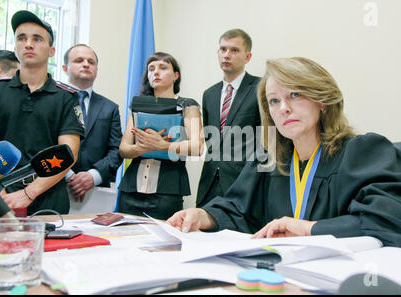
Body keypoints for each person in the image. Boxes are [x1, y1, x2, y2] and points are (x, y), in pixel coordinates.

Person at [167, 57, 401, 256]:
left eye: (296, 94)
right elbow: (240, 210)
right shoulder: (269, 161)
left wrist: (310, 228)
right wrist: (203, 216)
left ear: (322, 100)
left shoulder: (362, 152)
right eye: (274, 101)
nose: (283, 108)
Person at [0, 10, 84, 215]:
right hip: (0, 201)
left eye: (37, 39)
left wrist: (28, 193)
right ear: (16, 46)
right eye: (22, 38)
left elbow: (68, 153)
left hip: (48, 203)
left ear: (51, 50)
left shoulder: (66, 97)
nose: (28, 44)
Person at [118, 52, 204, 220]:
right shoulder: (137, 105)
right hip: (130, 191)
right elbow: (123, 149)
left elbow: (197, 147)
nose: (155, 72)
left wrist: (162, 145)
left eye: (163, 67)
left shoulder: (188, 105)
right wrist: (141, 147)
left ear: (176, 76)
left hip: (167, 191)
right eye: (151, 69)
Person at [196, 29, 262, 208]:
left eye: (234, 50)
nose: (227, 55)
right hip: (210, 184)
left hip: (244, 184)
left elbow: (267, 141)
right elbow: (212, 139)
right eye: (223, 49)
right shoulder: (209, 94)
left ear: (247, 57)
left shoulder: (261, 88)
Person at [62, 44, 122, 202]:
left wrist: (93, 176)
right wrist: (68, 175)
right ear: (65, 68)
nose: (86, 64)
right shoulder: (50, 102)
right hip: (55, 186)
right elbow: (43, 143)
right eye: (79, 60)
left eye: (91, 62)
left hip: (97, 190)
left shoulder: (110, 108)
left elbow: (116, 150)